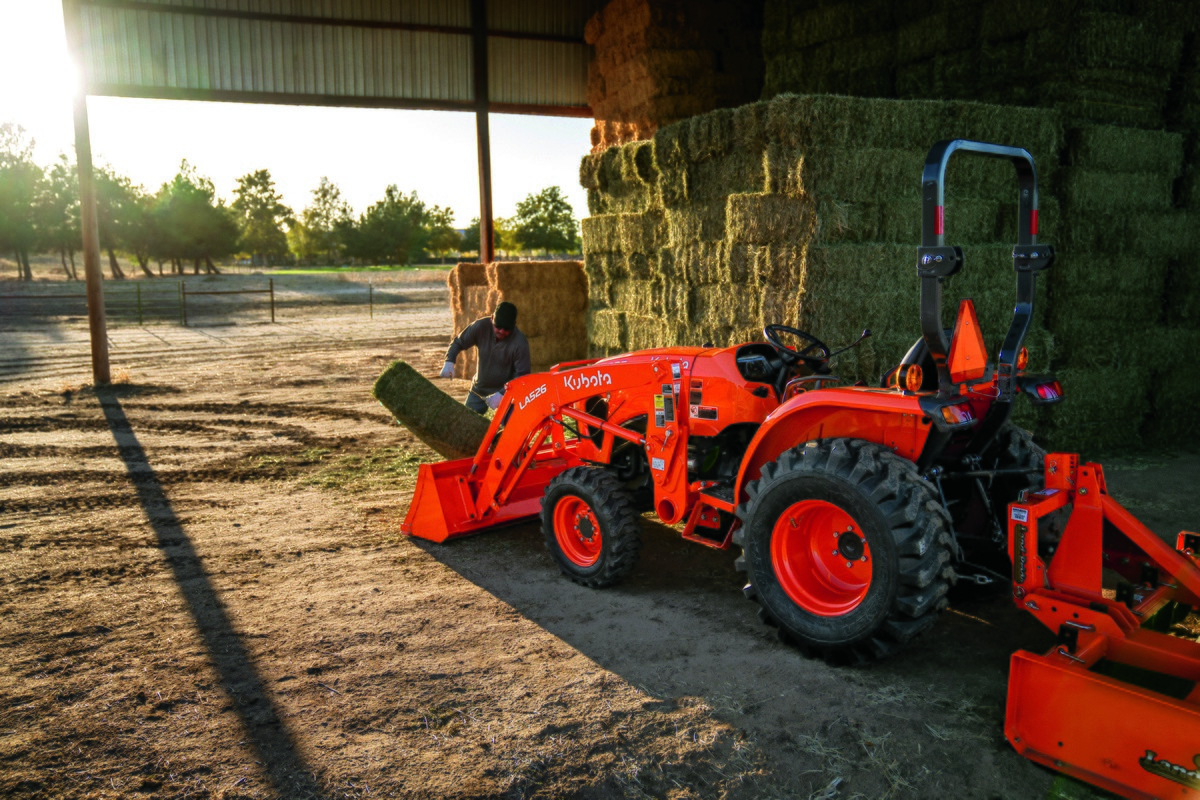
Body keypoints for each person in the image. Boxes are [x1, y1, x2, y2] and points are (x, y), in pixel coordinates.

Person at [440, 301, 531, 414]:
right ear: (492, 318)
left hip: (507, 394)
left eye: (506, 329)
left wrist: (502, 394)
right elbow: (458, 342)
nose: (502, 331)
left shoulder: (520, 342)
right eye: (498, 327)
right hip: (479, 390)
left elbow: (522, 375)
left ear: (514, 324)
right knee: (466, 423)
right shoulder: (480, 327)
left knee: (510, 430)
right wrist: (449, 361)